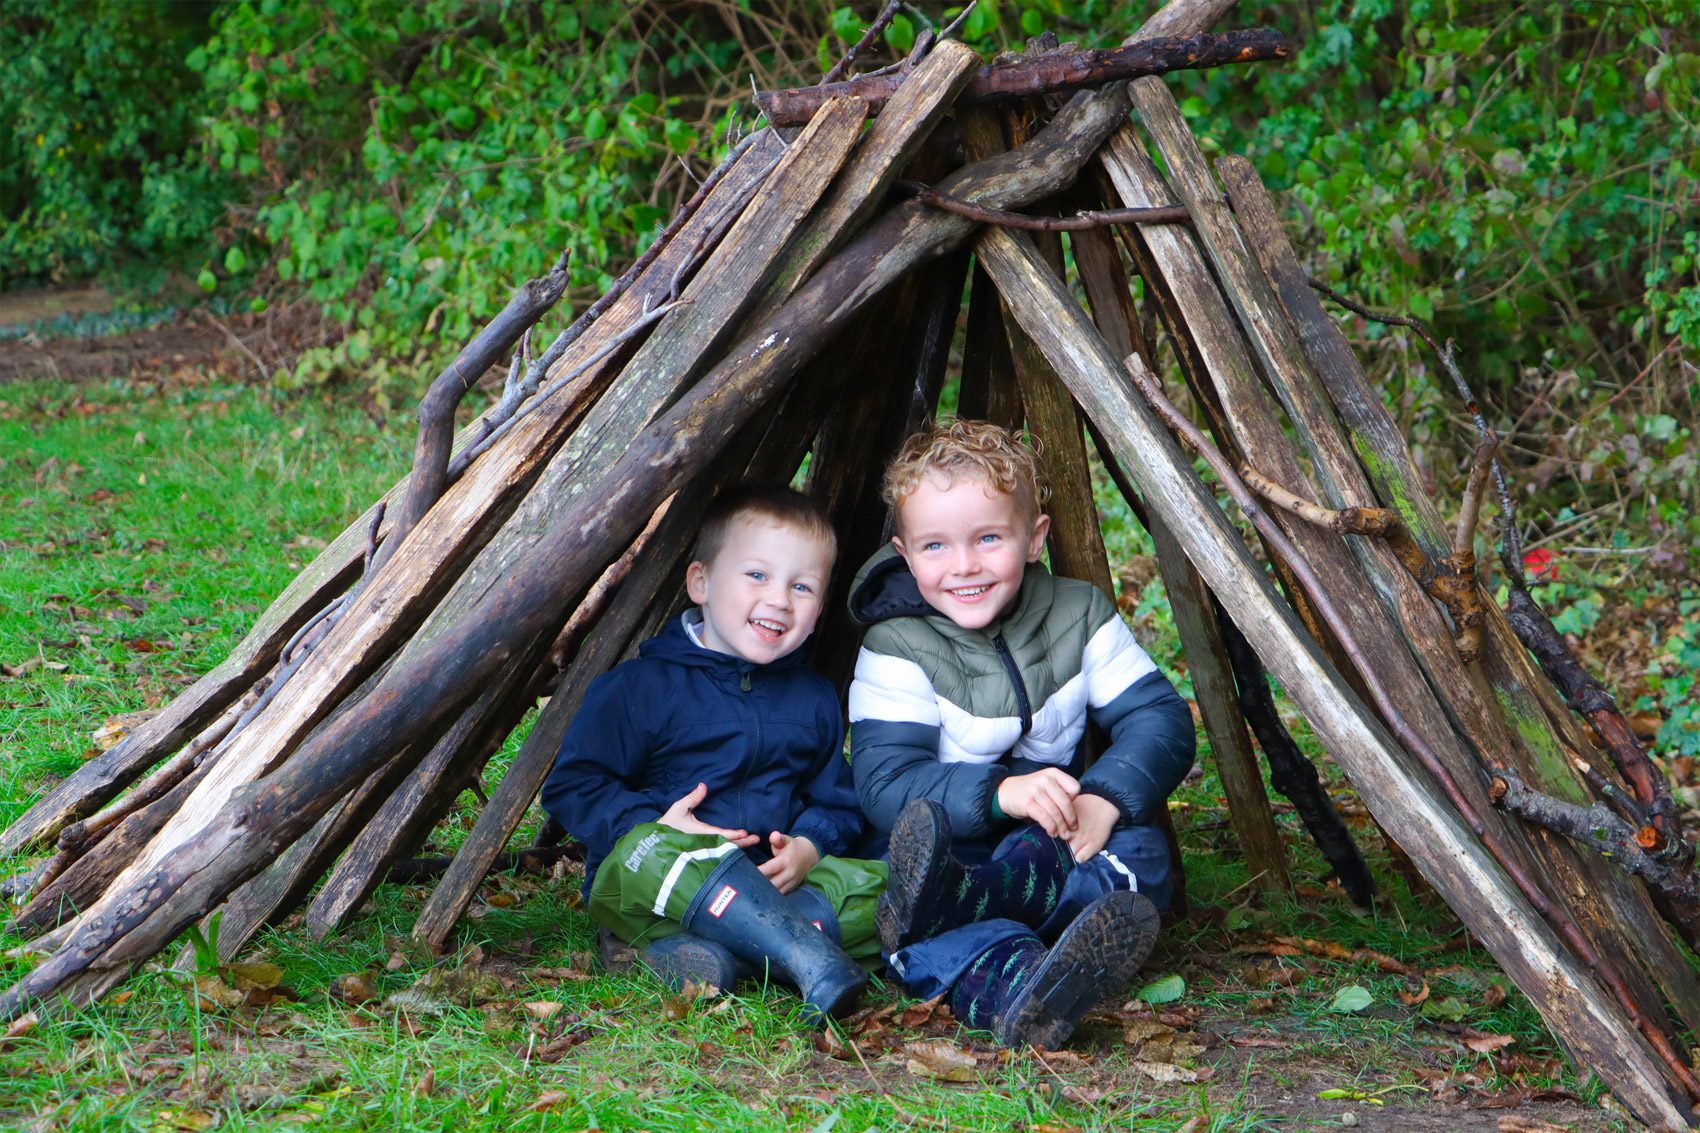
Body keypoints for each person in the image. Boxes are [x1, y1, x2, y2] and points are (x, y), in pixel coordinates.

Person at [846, 419, 1196, 1048]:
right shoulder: (896, 646)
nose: (964, 566)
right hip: (948, 856)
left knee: (1141, 856)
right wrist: (1001, 793)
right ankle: (1025, 993)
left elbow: (1161, 718)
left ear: (1034, 538)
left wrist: (1104, 797)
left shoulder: (1078, 613)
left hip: (1055, 839)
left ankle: (996, 909)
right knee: (916, 920)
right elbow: (884, 783)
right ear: (904, 554)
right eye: (935, 547)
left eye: (988, 538)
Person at [542, 485, 885, 1021]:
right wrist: (660, 825)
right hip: (661, 883)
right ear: (700, 582)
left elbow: (839, 802)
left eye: (803, 586)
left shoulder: (812, 698)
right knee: (648, 856)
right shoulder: (641, 688)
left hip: (773, 889)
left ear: (819, 611)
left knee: (873, 886)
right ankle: (805, 955)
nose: (779, 599)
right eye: (757, 575)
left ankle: (709, 959)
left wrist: (809, 848)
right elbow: (573, 785)